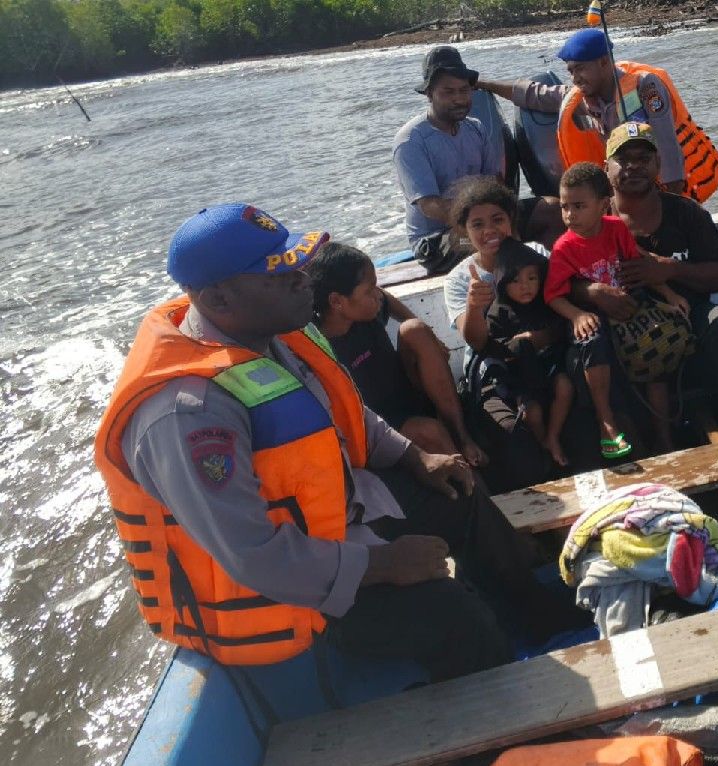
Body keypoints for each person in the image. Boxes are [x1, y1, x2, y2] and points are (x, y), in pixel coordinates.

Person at [94, 204, 575, 681]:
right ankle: (498, 704)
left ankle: (532, 613)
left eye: (296, 266)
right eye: (280, 275)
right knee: (451, 614)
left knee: (459, 493)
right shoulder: (188, 414)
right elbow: (252, 555)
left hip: (337, 524)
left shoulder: (280, 335)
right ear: (218, 300)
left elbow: (348, 413)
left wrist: (413, 456)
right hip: (287, 593)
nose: (303, 280)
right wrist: (382, 563)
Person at [597, 122, 718, 435]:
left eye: (643, 158)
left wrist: (671, 269)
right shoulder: (593, 219)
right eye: (623, 159)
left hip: (690, 317)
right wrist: (594, 294)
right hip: (623, 325)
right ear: (606, 167)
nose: (634, 166)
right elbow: (565, 278)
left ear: (658, 164)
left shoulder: (687, 213)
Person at [477, 28, 718, 203]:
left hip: (673, 186)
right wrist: (481, 83)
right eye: (570, 71)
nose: (575, 78)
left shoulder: (645, 86)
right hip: (631, 187)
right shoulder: (584, 98)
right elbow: (535, 94)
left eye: (580, 69)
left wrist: (673, 205)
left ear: (604, 62)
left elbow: (668, 145)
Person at [548, 161, 689, 455]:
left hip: (627, 299)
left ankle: (664, 435)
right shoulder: (563, 248)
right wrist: (577, 315)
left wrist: (669, 294)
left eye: (578, 206)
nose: (569, 214)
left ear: (603, 205)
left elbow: (638, 264)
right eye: (564, 207)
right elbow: (553, 296)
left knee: (659, 343)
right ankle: (606, 422)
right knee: (593, 340)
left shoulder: (615, 228)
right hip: (591, 314)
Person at [305, 240, 487, 467]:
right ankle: (472, 480)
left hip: (404, 393)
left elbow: (385, 297)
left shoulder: (367, 311)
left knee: (415, 330)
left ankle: (462, 436)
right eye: (368, 290)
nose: (377, 295)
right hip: (381, 426)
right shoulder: (320, 348)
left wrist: (427, 331)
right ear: (336, 301)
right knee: (430, 431)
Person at [393, 46, 561, 275]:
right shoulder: (411, 140)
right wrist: (487, 226)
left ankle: (558, 277)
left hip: (485, 220)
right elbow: (430, 206)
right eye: (448, 92)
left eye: (464, 91)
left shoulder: (476, 128)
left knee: (552, 210)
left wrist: (504, 220)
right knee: (489, 240)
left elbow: (494, 186)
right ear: (429, 93)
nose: (458, 99)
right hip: (439, 239)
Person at [443, 179, 555, 489]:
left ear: (511, 219)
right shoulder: (459, 279)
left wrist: (535, 341)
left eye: (497, 220)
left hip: (542, 355)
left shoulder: (536, 254)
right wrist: (474, 305)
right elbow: (476, 342)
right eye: (477, 224)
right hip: (493, 368)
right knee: (512, 433)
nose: (489, 230)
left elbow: (558, 308)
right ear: (465, 231)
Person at [483, 239, 574, 466]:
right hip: (520, 375)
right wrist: (519, 344)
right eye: (515, 281)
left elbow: (560, 329)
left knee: (565, 387)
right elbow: (494, 347)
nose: (525, 286)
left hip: (550, 365)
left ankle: (553, 437)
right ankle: (542, 445)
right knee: (532, 413)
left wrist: (542, 337)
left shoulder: (547, 302)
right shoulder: (497, 312)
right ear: (503, 283)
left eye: (532, 278)